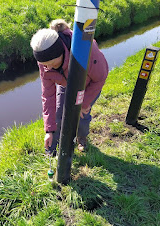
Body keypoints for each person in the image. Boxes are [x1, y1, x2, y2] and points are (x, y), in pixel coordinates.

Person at [30, 19, 108, 154]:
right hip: (65, 83)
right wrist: (49, 130)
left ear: (61, 53)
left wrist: (84, 102)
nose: (47, 68)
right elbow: (48, 95)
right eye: (44, 65)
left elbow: (100, 78)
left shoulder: (85, 50)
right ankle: (53, 147)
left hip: (87, 85)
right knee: (59, 113)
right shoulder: (45, 63)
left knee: (80, 114)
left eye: (52, 64)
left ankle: (81, 138)